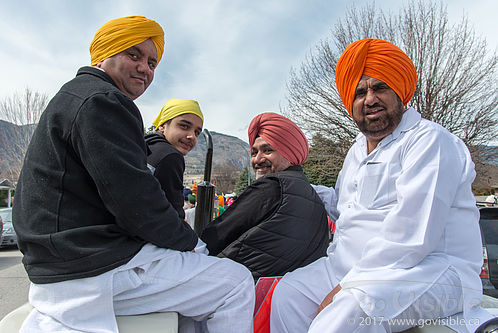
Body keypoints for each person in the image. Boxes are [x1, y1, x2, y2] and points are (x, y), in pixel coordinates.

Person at [12, 16, 254, 333]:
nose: (145, 69)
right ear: (104, 53)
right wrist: (193, 244)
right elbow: (137, 204)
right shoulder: (105, 101)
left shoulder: (74, 97)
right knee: (235, 281)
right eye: (134, 55)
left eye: (152, 62)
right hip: (88, 269)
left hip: (61, 263)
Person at [270, 38, 492, 333]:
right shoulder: (356, 151)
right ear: (350, 102)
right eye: (360, 92)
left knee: (350, 311)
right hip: (348, 268)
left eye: (380, 88)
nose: (370, 99)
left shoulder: (429, 141)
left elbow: (412, 236)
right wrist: (302, 190)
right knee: (289, 295)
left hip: (430, 272)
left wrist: (347, 286)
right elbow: (348, 210)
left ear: (400, 91)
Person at [201, 112, 330, 281]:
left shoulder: (273, 186)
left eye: (268, 150)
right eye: (254, 153)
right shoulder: (314, 198)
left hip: (239, 290)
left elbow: (214, 237)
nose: (258, 160)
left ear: (289, 153)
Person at [145, 98, 203, 219]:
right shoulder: (170, 156)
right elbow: (173, 217)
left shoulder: (147, 147)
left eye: (197, 132)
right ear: (162, 126)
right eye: (184, 126)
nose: (191, 136)